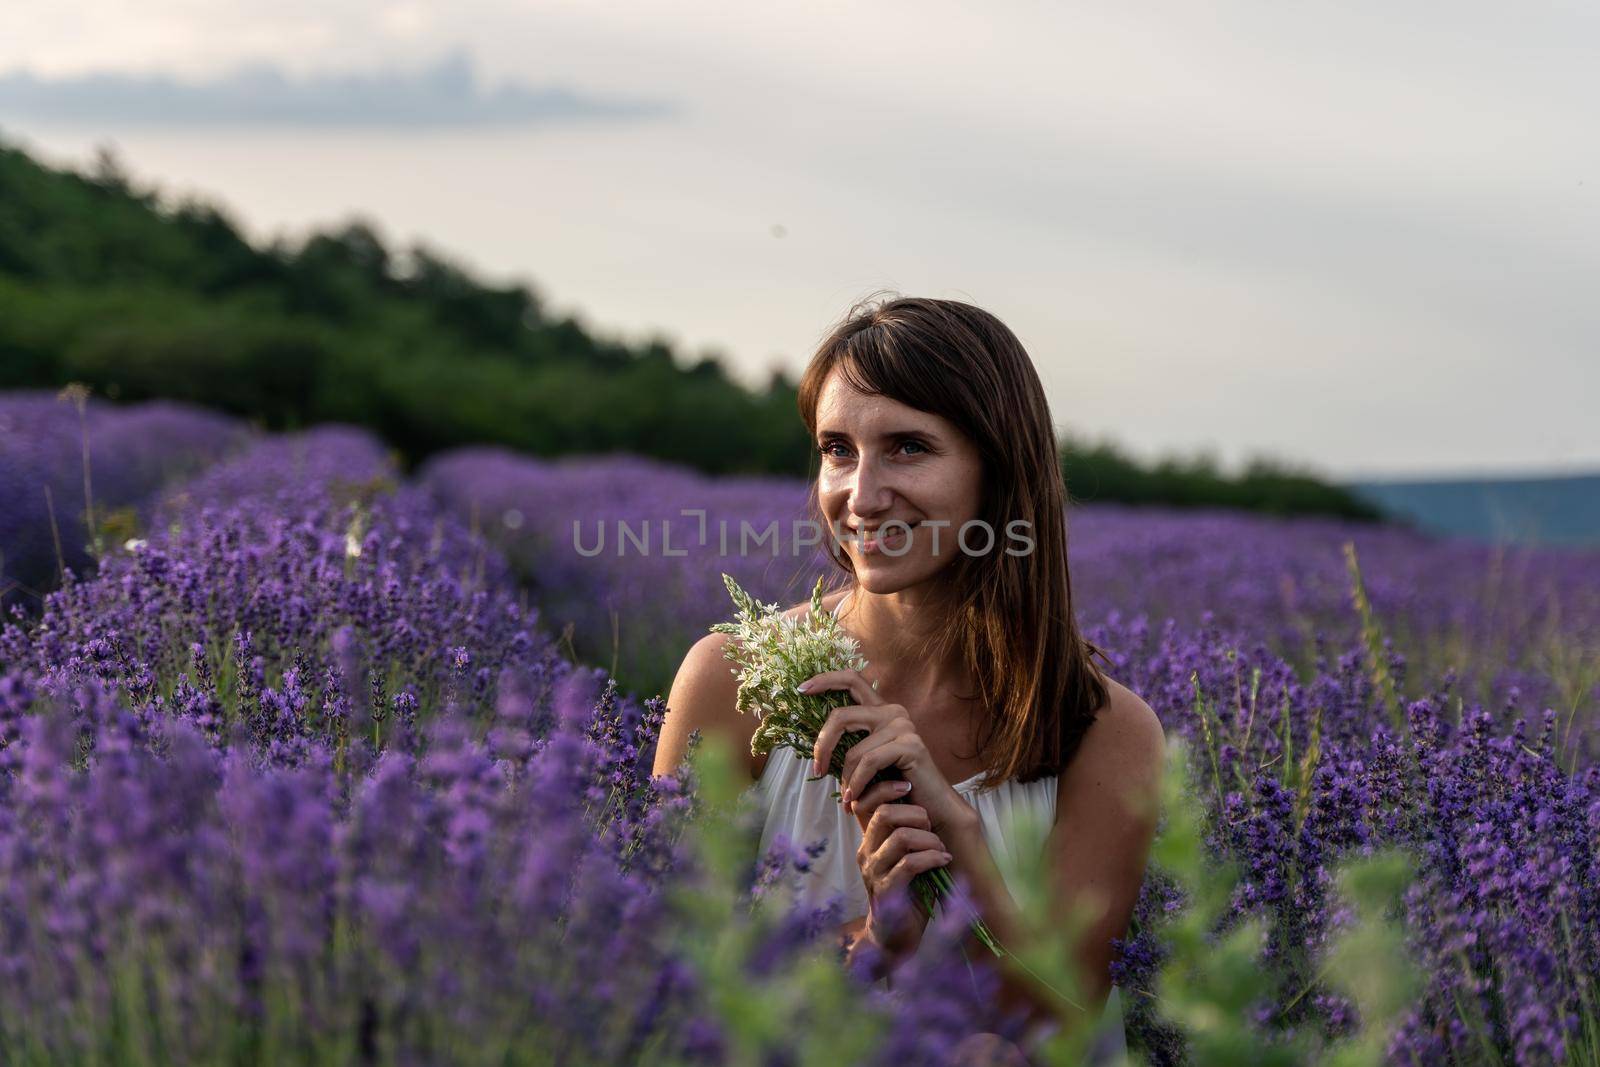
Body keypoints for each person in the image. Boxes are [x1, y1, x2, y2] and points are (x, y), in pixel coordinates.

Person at [654, 294, 1166, 1063]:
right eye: (837, 449)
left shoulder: (1103, 730)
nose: (859, 496)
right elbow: (667, 977)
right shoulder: (732, 679)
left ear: (998, 470)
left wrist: (961, 848)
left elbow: (1065, 1021)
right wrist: (875, 943)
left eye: (907, 448)